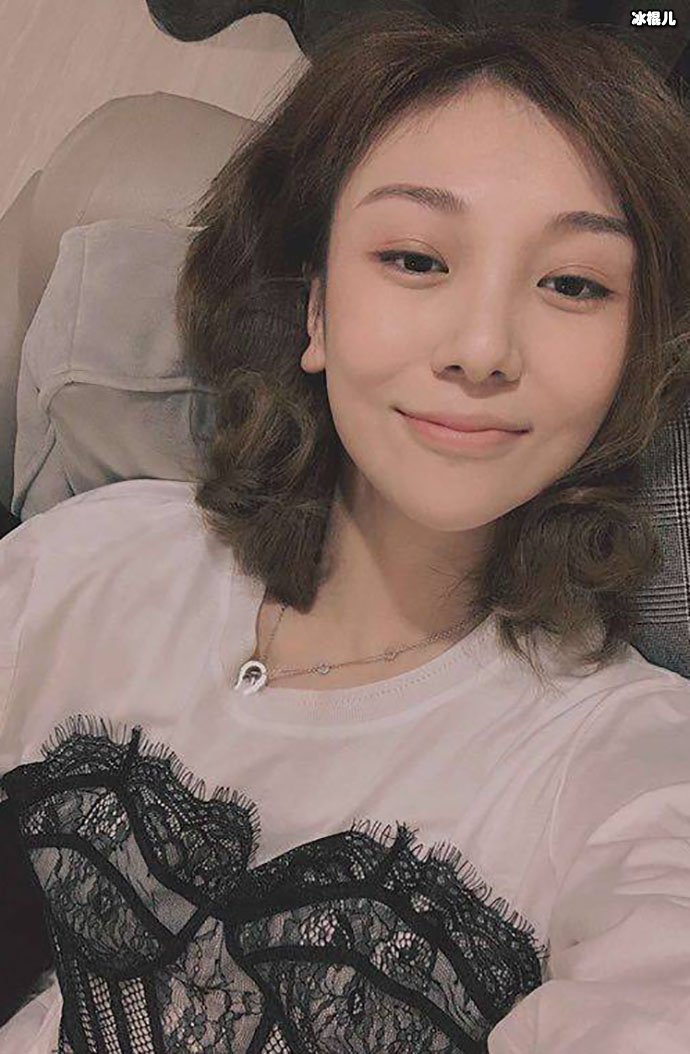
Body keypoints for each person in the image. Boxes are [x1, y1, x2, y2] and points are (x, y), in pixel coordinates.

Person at [1, 9, 690, 1052]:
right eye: (415, 258)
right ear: (316, 308)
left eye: (573, 283)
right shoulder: (85, 561)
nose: (482, 347)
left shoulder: (631, 771)